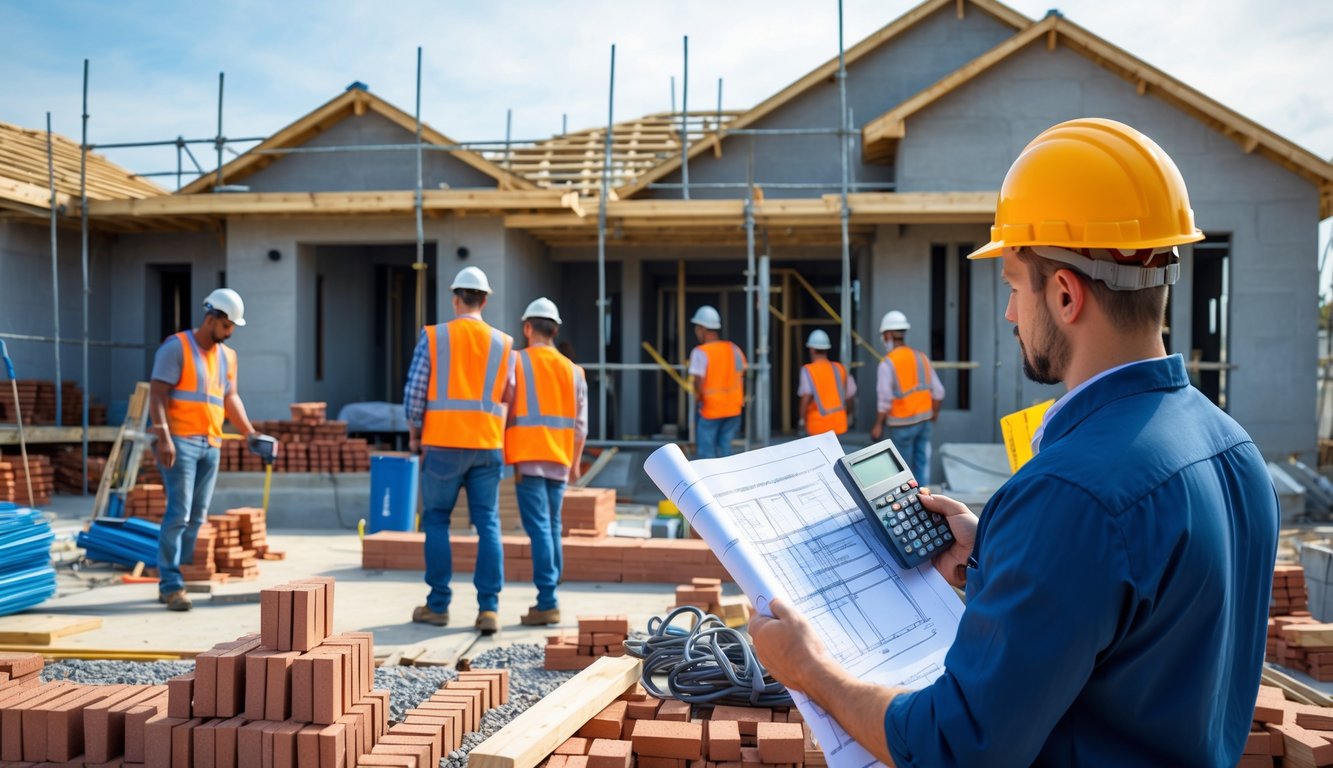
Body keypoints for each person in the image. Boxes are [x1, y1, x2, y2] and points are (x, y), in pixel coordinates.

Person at [749, 118, 1279, 766]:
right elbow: (1129, 632)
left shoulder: (1070, 494)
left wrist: (810, 671)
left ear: (1062, 294)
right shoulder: (1232, 450)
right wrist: (997, 560)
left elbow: (954, 747)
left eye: (1010, 286)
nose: (1007, 314)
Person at [404, 265, 515, 635]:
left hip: (443, 442)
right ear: (484, 300)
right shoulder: (503, 343)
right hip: (486, 445)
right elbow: (509, 395)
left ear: (455, 299)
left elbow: (415, 393)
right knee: (488, 524)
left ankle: (438, 606)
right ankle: (489, 610)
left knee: (436, 520)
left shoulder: (435, 337)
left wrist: (414, 434)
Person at [148, 288, 268, 612]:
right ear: (212, 318)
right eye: (228, 326)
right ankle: (170, 584)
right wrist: (164, 438)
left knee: (197, 516)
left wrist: (250, 433)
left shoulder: (227, 356)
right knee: (178, 513)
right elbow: (157, 395)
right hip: (180, 443)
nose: (230, 333)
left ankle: (180, 573)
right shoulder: (177, 347)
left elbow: (230, 398)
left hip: (211, 443)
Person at [505, 298, 588, 626]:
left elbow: (505, 406)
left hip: (527, 456)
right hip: (559, 458)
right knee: (552, 525)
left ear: (528, 328)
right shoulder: (574, 371)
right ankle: (551, 587)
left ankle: (548, 599)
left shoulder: (515, 363)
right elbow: (580, 427)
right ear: (554, 329)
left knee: (540, 527)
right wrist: (575, 463)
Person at [870, 311, 943, 484]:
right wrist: (935, 413)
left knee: (902, 470)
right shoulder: (921, 357)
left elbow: (884, 400)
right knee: (922, 465)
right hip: (924, 421)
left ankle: (908, 505)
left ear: (887, 335)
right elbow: (939, 391)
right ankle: (925, 502)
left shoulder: (888, 363)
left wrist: (878, 425)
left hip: (901, 425)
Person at [688, 305, 747, 458]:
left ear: (702, 328)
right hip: (733, 408)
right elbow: (743, 371)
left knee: (707, 453)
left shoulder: (700, 352)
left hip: (711, 409)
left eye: (696, 327)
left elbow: (698, 381)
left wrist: (698, 397)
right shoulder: (733, 348)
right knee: (725, 450)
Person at [798, 329, 856, 436]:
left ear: (811, 349)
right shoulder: (840, 368)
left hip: (817, 426)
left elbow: (806, 397)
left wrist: (802, 420)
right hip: (839, 424)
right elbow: (849, 396)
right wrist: (849, 414)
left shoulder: (808, 370)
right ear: (827, 349)